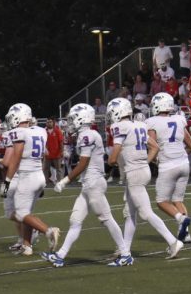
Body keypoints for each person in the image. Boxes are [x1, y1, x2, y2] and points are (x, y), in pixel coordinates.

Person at [44, 103, 131, 267]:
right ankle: (60, 255)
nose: (70, 123)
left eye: (72, 119)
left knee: (106, 219)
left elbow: (83, 163)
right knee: (75, 220)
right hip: (88, 184)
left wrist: (64, 180)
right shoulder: (87, 135)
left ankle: (125, 254)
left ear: (81, 118)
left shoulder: (88, 135)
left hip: (94, 183)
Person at [107, 97, 182, 259]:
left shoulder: (120, 127)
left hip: (134, 173)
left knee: (145, 213)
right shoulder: (140, 125)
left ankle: (173, 241)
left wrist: (110, 162)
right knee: (130, 213)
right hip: (142, 170)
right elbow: (155, 146)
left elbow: (113, 157)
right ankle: (124, 249)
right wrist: (144, 161)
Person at [1, 103, 59, 256]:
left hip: (27, 177)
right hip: (38, 174)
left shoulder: (18, 132)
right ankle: (27, 245)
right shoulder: (40, 131)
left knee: (21, 214)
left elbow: (16, 159)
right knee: (27, 212)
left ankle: (48, 231)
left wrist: (6, 183)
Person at [143, 92, 191, 243]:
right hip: (184, 163)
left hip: (167, 165)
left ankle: (180, 219)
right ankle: (186, 234)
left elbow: (152, 144)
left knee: (161, 201)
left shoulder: (152, 121)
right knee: (178, 199)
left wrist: (153, 159)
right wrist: (179, 154)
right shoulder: (179, 119)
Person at [43, 117, 64, 186]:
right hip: (47, 153)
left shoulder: (57, 131)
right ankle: (45, 182)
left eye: (50, 122)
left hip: (56, 153)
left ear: (53, 122)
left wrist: (62, 151)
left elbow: (61, 142)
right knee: (45, 169)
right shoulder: (44, 131)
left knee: (59, 169)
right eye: (48, 122)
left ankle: (59, 182)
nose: (49, 123)